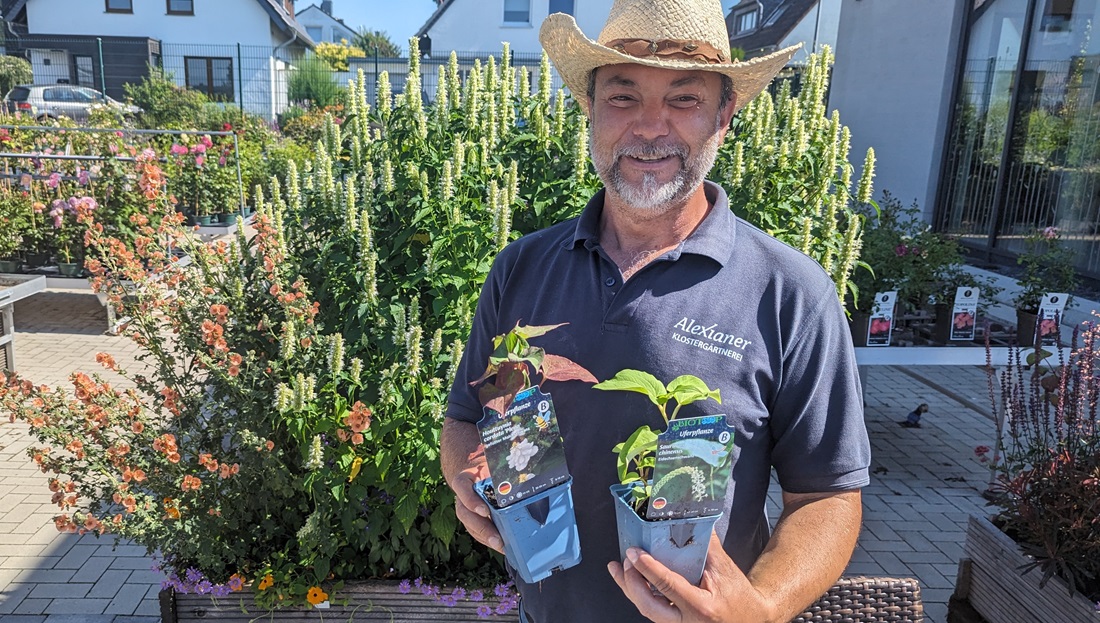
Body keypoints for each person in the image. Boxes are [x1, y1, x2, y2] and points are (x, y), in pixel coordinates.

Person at [441, 0, 871, 621]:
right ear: (589, 109)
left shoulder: (790, 293)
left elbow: (827, 495)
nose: (649, 127)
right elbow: (466, 419)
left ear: (725, 114)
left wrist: (763, 609)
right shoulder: (522, 268)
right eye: (622, 96)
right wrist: (467, 478)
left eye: (684, 98)